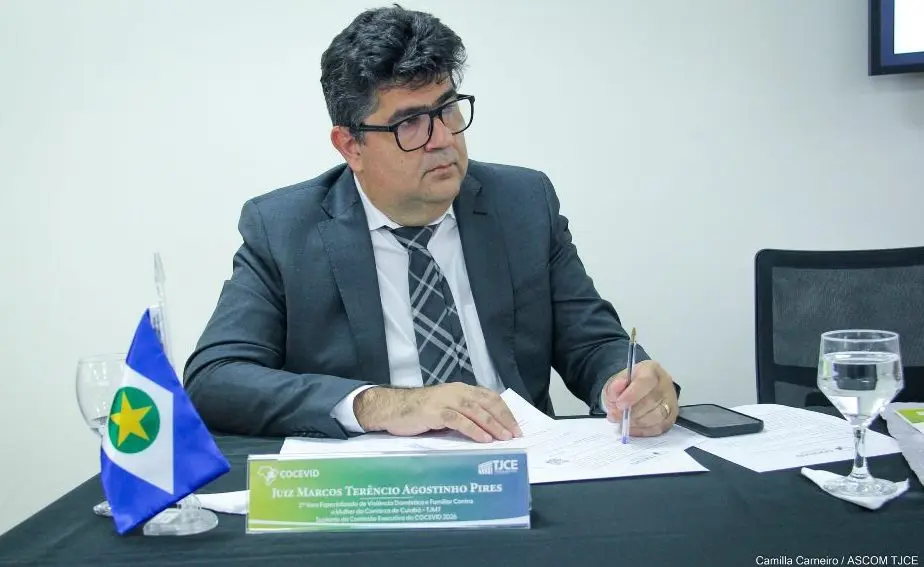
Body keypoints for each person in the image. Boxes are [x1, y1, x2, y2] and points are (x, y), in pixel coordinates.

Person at [183, 4, 680, 442]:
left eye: (447, 110)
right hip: (374, 487)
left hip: (519, 460)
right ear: (350, 145)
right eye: (410, 123)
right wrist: (383, 404)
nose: (442, 138)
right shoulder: (283, 228)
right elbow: (216, 378)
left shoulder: (523, 203)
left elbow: (591, 342)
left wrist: (624, 380)